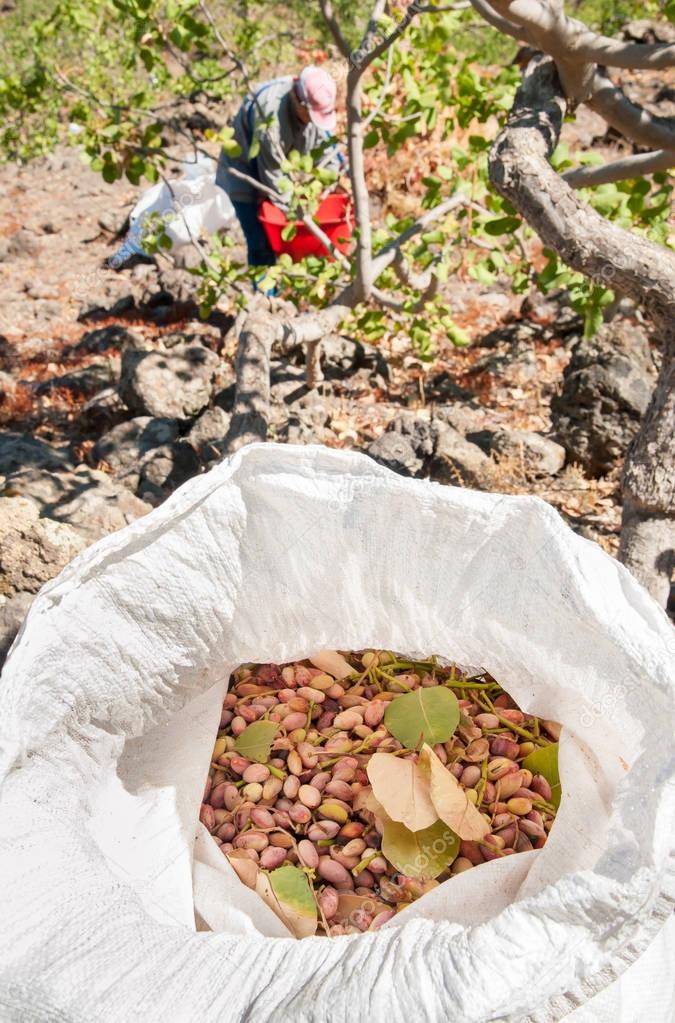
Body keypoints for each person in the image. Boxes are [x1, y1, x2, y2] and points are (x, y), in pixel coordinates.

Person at [216, 65, 339, 268]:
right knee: (260, 242)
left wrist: (328, 186)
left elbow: (329, 153)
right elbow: (273, 178)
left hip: (274, 172)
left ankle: (285, 286)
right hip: (243, 172)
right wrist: (301, 218)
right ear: (299, 102)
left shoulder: (314, 104)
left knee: (284, 246)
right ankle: (265, 297)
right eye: (311, 115)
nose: (313, 121)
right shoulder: (269, 118)